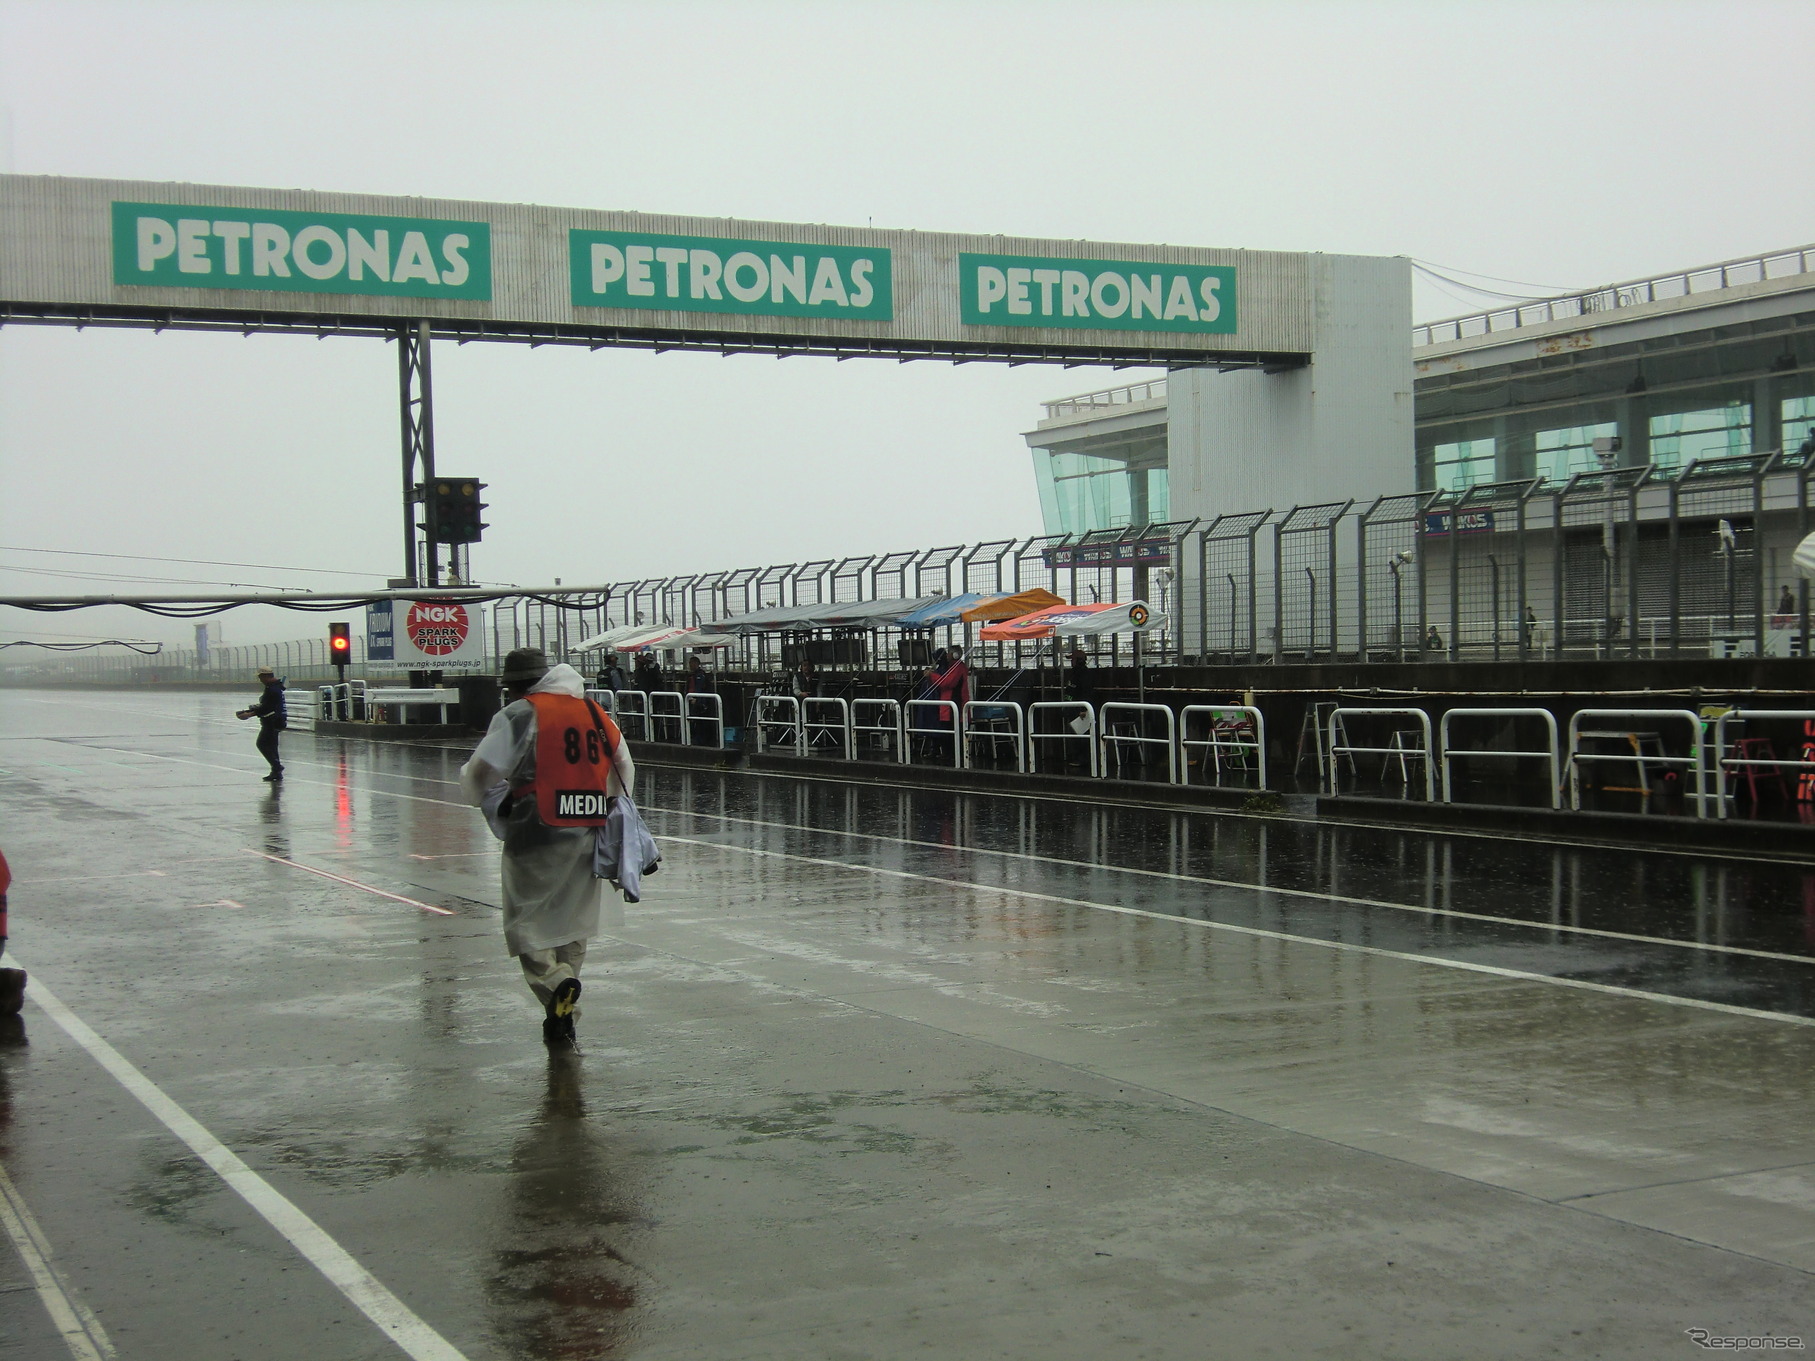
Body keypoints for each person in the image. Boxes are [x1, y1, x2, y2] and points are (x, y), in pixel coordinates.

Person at [459, 648, 634, 1050]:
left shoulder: (521, 715)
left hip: (536, 826)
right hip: (590, 825)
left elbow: (482, 773)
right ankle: (562, 1018)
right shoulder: (593, 712)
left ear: (520, 686)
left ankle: (557, 986)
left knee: (525, 920)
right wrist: (601, 803)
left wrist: (475, 791)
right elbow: (624, 767)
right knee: (572, 918)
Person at [235, 666, 286, 782]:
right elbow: (267, 706)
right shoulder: (275, 687)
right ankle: (276, 772)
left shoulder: (272, 689)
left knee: (262, 744)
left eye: (261, 677)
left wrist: (249, 714)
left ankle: (277, 767)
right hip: (275, 720)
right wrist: (253, 710)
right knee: (272, 747)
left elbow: (267, 707)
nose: (260, 679)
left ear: (266, 676)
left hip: (272, 721)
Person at [684, 654, 718, 747]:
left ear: (696, 664)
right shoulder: (693, 675)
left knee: (699, 722)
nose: (690, 665)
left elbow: (699, 688)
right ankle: (697, 740)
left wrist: (697, 699)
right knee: (694, 721)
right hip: (693, 701)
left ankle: (700, 741)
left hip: (699, 703)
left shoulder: (700, 675)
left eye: (691, 663)